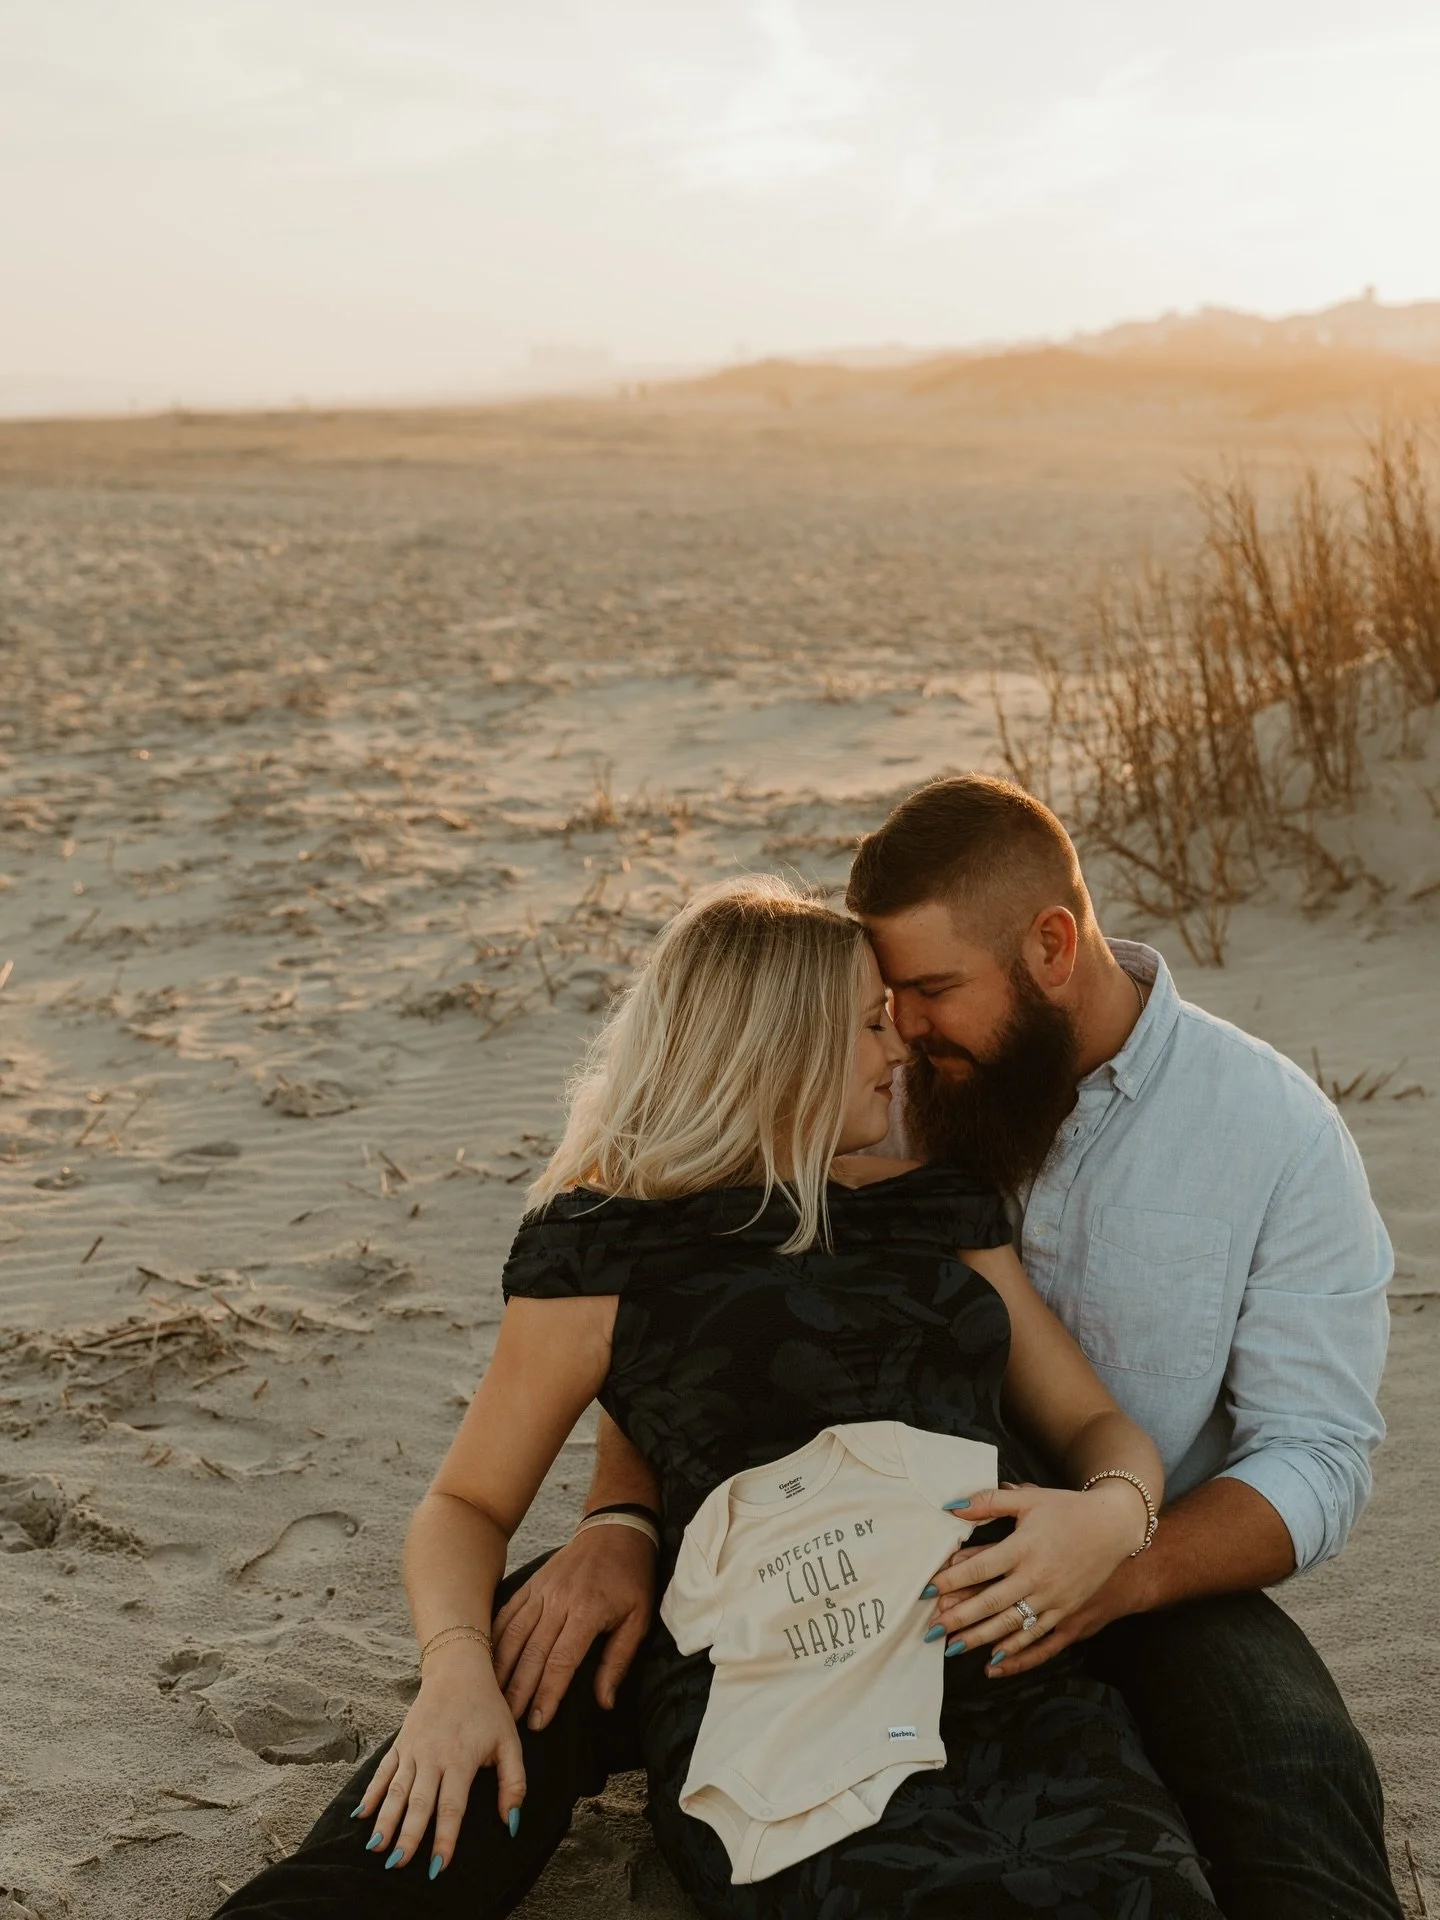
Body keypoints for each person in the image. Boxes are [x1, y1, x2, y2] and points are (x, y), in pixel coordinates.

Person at [217, 875, 1218, 1917]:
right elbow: (465, 1505)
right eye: (872, 1025)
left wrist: (1112, 1510)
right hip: (777, 1683)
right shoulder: (604, 1249)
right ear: (779, 1049)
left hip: (1002, 1659)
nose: (899, 1051)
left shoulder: (937, 1206)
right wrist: (455, 1669)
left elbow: (1094, 1423)